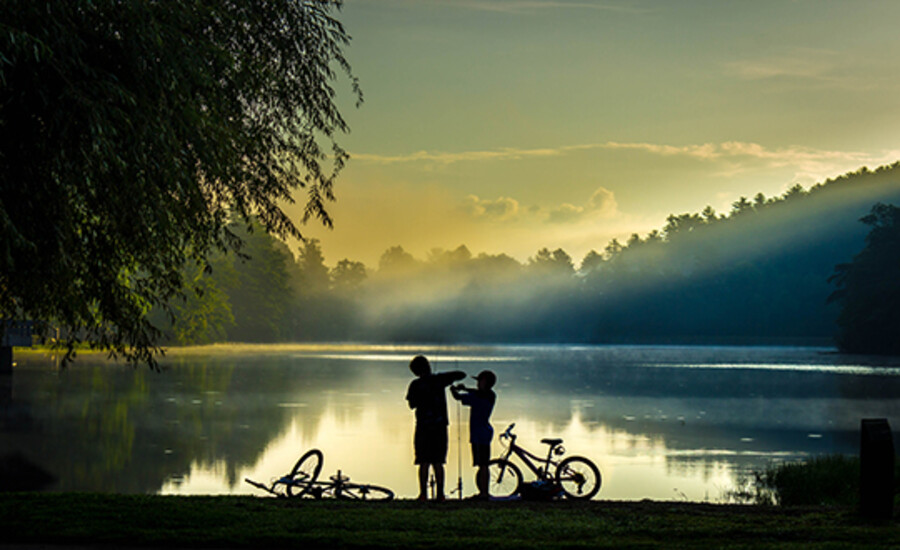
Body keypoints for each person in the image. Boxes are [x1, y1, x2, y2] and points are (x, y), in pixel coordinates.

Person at [406, 355, 465, 501]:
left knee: (423, 461)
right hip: (439, 427)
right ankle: (440, 494)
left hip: (423, 427)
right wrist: (441, 377)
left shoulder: (415, 384)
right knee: (438, 461)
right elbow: (461, 375)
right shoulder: (440, 380)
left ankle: (423, 494)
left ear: (415, 371)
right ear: (428, 366)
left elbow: (412, 405)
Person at [450, 369, 497, 501]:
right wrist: (465, 388)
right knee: (483, 464)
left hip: (478, 435)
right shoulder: (491, 395)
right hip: (485, 433)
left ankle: (484, 493)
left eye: (479, 381)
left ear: (485, 382)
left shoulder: (477, 399)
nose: (477, 384)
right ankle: (483, 491)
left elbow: (458, 398)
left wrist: (453, 390)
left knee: (482, 464)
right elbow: (478, 393)